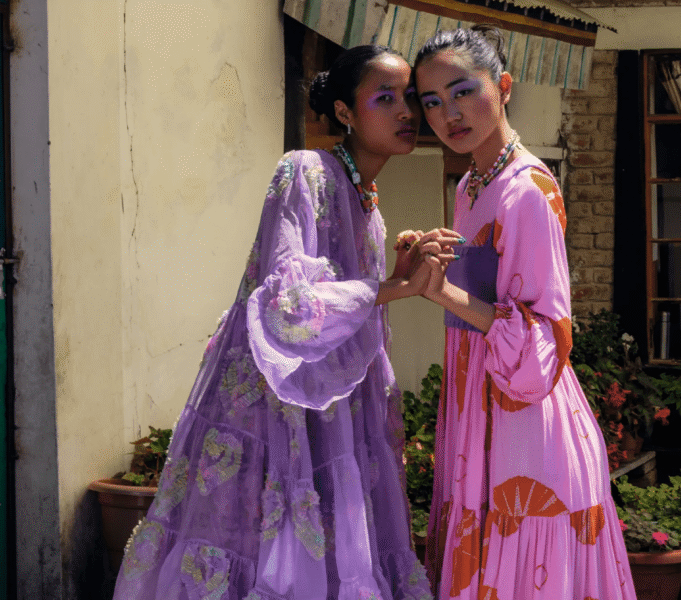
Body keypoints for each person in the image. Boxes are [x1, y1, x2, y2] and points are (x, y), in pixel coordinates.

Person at [112, 45, 459, 600]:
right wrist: (394, 287)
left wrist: (394, 277)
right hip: (273, 398)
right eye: (385, 98)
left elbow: (350, 307)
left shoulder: (367, 203)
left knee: (324, 540)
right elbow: (289, 304)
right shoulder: (305, 171)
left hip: (332, 400)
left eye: (410, 98)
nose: (406, 112)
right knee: (256, 544)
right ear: (344, 111)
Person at [412, 27, 637, 600]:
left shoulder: (528, 191)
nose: (448, 114)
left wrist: (444, 292)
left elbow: (543, 344)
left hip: (526, 438)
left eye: (463, 92)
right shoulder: (470, 186)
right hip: (480, 422)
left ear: (504, 86)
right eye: (431, 102)